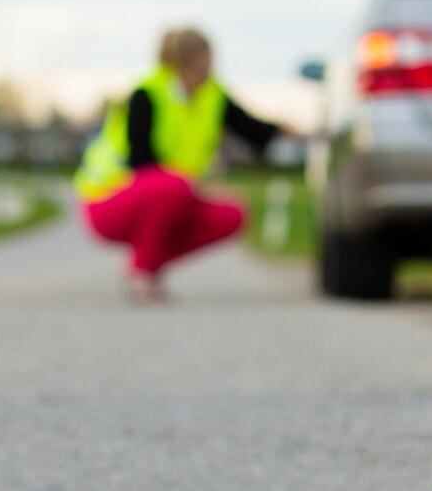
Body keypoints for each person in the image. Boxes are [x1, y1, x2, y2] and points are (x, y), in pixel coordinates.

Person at [74, 27, 288, 301]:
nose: (210, 70)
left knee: (232, 215)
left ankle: (151, 264)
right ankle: (141, 272)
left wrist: (285, 131)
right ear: (185, 63)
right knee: (175, 185)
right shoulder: (148, 94)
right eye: (205, 63)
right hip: (110, 199)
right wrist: (185, 186)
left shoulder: (212, 95)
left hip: (174, 195)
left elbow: (252, 129)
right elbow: (140, 161)